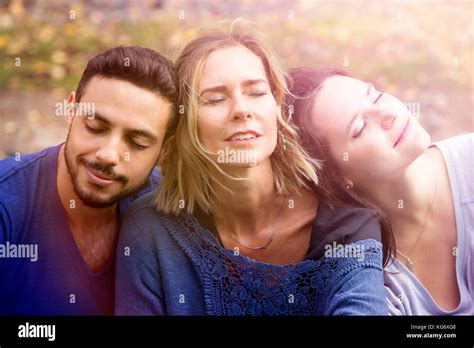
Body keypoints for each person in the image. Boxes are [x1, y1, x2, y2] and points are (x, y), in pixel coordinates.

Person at [116, 23, 388, 315]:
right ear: (184, 125)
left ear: (278, 106)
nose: (241, 110)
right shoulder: (151, 230)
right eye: (215, 99)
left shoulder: (347, 225)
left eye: (256, 92)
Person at [0, 46, 178, 314]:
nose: (108, 155)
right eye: (95, 127)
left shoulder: (166, 211)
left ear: (164, 150)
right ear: (71, 110)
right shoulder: (6, 205)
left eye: (137, 143)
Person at [286, 66, 473, 315]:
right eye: (360, 127)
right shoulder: (365, 275)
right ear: (337, 178)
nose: (387, 114)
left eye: (374, 96)